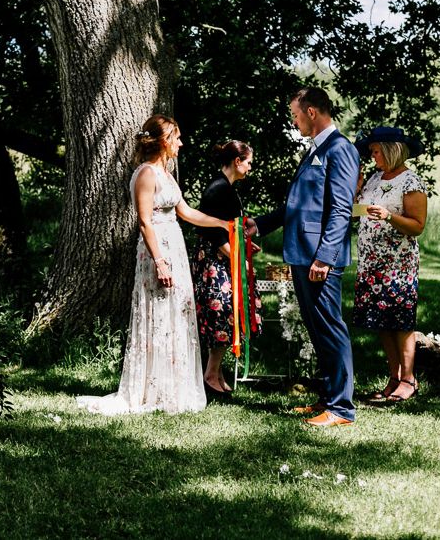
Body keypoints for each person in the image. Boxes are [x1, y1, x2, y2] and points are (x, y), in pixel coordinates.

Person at [77, 115, 230, 415]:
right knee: (158, 313)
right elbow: (145, 221)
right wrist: (160, 261)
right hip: (156, 250)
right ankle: (154, 389)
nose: (181, 144)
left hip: (176, 246)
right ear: (163, 141)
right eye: (177, 138)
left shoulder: (167, 174)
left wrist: (224, 224)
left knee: (176, 312)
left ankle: (174, 386)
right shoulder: (146, 174)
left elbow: (185, 212)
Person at [256, 87, 359, 427]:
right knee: (317, 329)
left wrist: (326, 257)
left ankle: (342, 409)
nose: (293, 120)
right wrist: (260, 225)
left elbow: (341, 209)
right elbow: (299, 206)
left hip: (319, 257)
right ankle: (327, 398)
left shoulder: (340, 149)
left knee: (330, 327)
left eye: (295, 115)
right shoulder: (316, 150)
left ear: (312, 112)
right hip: (301, 253)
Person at [354, 126, 427, 402]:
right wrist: (358, 187)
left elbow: (418, 226)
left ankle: (409, 379)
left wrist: (388, 216)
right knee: (381, 321)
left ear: (390, 150)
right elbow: (354, 209)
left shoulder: (411, 182)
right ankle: (394, 377)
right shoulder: (374, 178)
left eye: (375, 151)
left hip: (398, 264)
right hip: (371, 263)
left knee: (400, 321)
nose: (372, 157)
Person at [192, 141, 261, 397]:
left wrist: (244, 247)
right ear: (237, 161)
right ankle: (211, 373)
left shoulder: (227, 188)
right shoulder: (218, 188)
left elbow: (229, 227)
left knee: (227, 313)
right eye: (249, 162)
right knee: (222, 312)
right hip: (215, 261)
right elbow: (212, 232)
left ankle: (216, 372)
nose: (250, 168)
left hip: (223, 256)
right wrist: (236, 257)